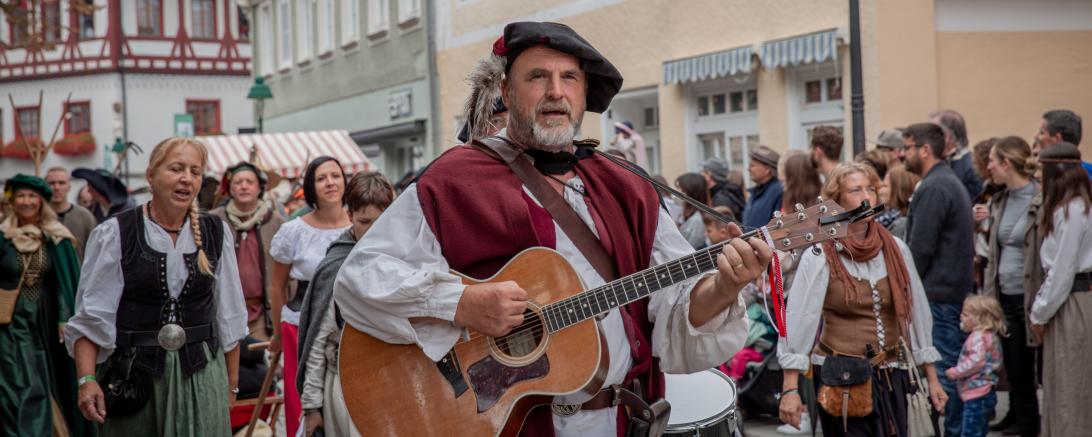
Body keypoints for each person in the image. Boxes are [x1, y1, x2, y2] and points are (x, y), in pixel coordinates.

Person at [333, 21, 765, 436]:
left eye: (569, 78)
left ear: (584, 92)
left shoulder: (627, 185)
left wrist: (725, 287)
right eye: (537, 76)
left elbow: (674, 310)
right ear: (505, 90)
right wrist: (459, 303)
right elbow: (359, 279)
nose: (556, 91)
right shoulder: (453, 180)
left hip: (618, 420)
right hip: (508, 424)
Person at [65, 137, 248, 436]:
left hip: (201, 376)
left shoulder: (217, 232)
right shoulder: (115, 233)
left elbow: (230, 318)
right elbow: (91, 318)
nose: (186, 178)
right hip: (136, 378)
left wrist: (230, 387)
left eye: (195, 171)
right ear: (151, 176)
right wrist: (86, 381)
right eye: (176, 168)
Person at [777, 162, 947, 436]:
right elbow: (799, 320)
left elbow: (918, 314)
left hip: (894, 376)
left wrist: (932, 379)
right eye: (855, 190)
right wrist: (790, 389)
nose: (866, 197)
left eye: (871, 189)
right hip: (842, 380)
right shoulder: (820, 254)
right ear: (837, 200)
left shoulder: (897, 249)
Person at [298, 172, 395, 437]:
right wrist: (311, 407)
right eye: (365, 222)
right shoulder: (338, 265)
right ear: (350, 217)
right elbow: (319, 339)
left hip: (394, 381)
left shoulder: (402, 255)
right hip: (345, 385)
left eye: (381, 222)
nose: (373, 231)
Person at [1, 174, 93, 437]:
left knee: (38, 382)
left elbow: (66, 284)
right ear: (12, 200)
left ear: (42, 202)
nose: (26, 202)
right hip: (8, 323)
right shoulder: (3, 237)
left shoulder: (57, 238)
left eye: (32, 196)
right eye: (21, 196)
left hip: (45, 323)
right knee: (10, 384)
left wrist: (65, 318)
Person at [269, 156, 351, 437]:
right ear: (311, 187)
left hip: (352, 328)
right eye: (321, 178)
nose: (330, 183)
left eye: (335, 176)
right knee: (303, 401)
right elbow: (277, 287)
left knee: (348, 399)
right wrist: (278, 334)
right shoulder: (293, 232)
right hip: (300, 327)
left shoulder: (362, 223)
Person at [902, 122, 975, 436]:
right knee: (948, 372)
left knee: (942, 377)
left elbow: (920, 249)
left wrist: (905, 288)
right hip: (946, 291)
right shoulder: (943, 181)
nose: (902, 154)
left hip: (938, 294)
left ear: (924, 150)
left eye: (906, 147)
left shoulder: (934, 187)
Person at [1027, 142, 1092, 437]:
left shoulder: (1073, 211)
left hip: (1072, 303)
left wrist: (1039, 313)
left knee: (1070, 384)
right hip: (1068, 299)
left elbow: (1063, 272)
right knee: (1062, 382)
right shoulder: (1073, 208)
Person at [980, 136, 1041, 437]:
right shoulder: (999, 200)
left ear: (1006, 163)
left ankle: (1031, 427)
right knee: (1015, 372)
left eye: (992, 160)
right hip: (1004, 296)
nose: (988, 165)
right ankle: (1017, 419)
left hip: (1029, 298)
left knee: (1028, 375)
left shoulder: (1040, 198)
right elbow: (993, 251)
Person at [210, 162, 286, 341]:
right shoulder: (213, 221)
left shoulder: (277, 223)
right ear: (230, 188)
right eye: (238, 182)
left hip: (261, 315)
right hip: (222, 311)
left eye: (249, 182)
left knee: (261, 365)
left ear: (259, 188)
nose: (244, 186)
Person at [946, 295, 1006, 437]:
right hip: (986, 391)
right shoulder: (990, 336)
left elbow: (976, 361)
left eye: (966, 315)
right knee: (980, 431)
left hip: (976, 394)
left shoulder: (978, 337)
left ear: (980, 318)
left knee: (970, 432)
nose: (961, 317)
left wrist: (955, 372)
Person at [45, 167, 97, 258]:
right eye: (52, 183)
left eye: (61, 183)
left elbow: (94, 252)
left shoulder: (85, 217)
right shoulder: (37, 216)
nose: (57, 187)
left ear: (69, 187)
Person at [930, 109, 984, 199]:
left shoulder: (971, 166)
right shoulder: (943, 161)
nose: (928, 139)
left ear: (948, 136)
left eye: (932, 133)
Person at [1035, 109, 1091, 179]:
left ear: (1057, 139)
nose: (1036, 136)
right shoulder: (1086, 171)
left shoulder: (1052, 176)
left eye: (1041, 132)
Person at [741, 145, 783, 230]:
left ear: (767, 169)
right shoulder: (756, 192)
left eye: (752, 165)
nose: (748, 169)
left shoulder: (778, 191)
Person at [881, 165, 919, 241]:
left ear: (898, 190)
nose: (880, 191)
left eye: (885, 186)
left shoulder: (901, 225)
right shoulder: (886, 217)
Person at [675, 172, 710, 249]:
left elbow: (688, 248)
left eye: (679, 188)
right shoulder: (685, 214)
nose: (676, 191)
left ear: (690, 192)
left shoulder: (696, 220)